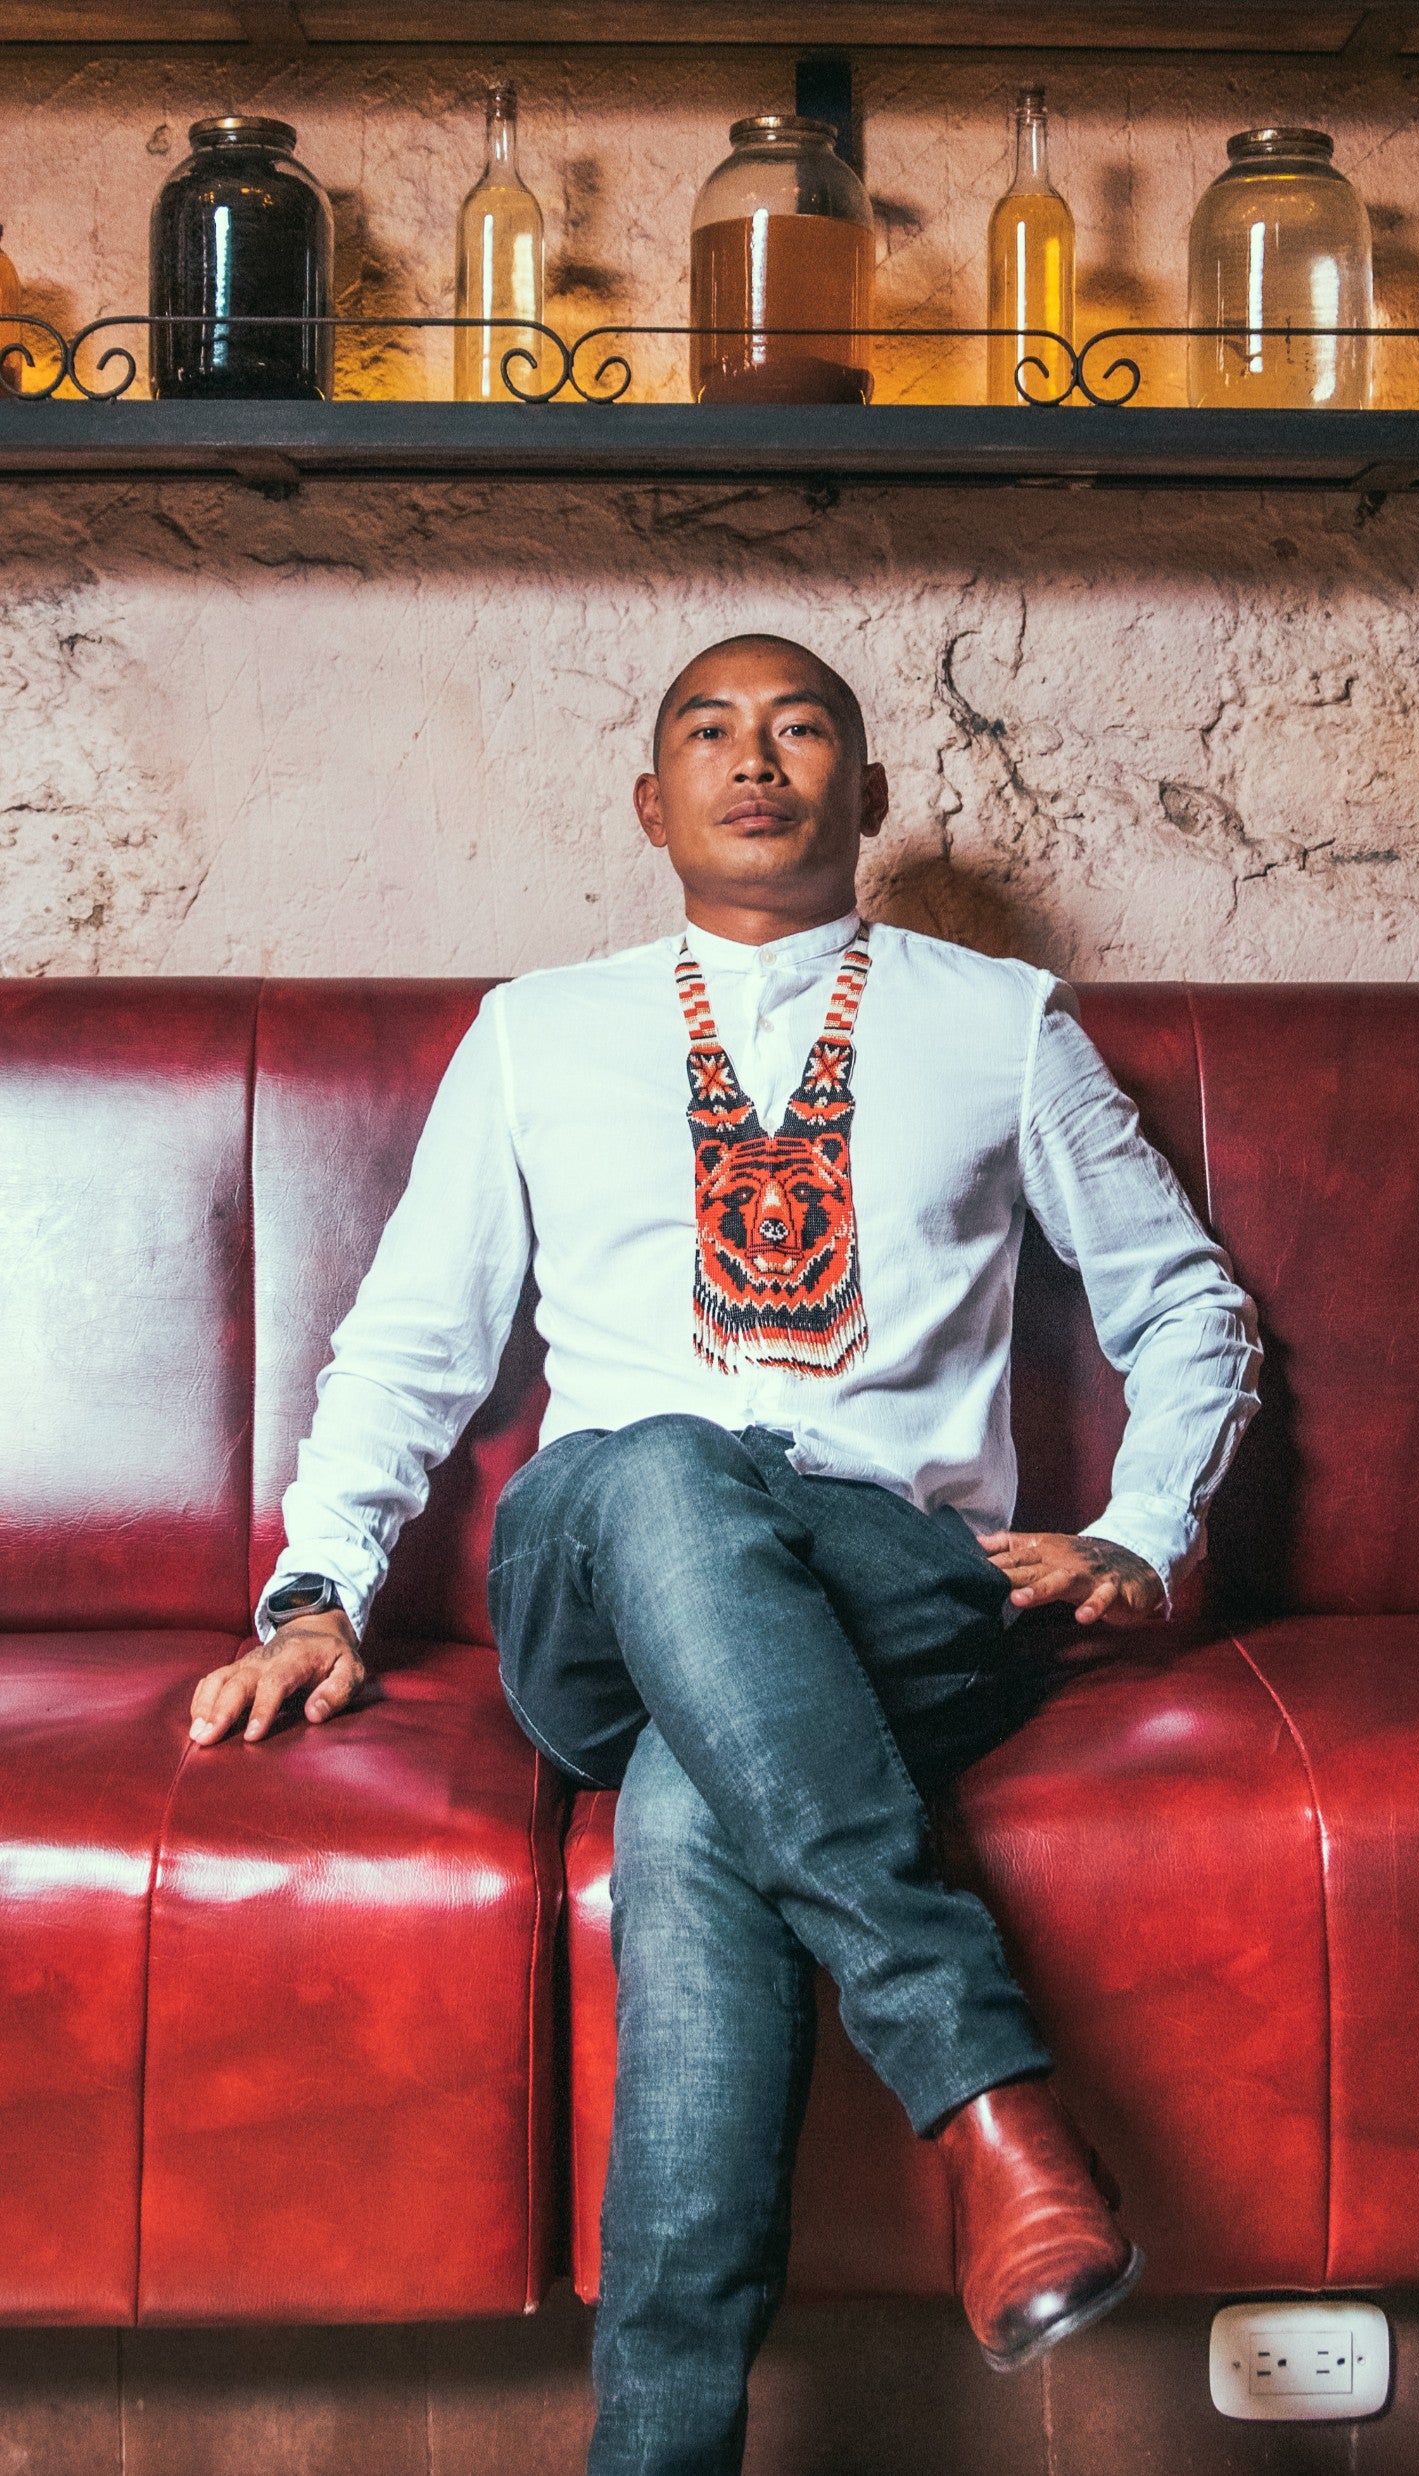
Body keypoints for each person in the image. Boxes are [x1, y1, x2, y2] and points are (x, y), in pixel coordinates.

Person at [189, 633, 1261, 2476]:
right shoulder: (535, 1030)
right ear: (649, 801)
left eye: (800, 728)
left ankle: (660, 2448)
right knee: (667, 1461)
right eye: (710, 730)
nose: (754, 759)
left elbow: (1184, 1306)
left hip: (891, 1578)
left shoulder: (1002, 1020)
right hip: (598, 1568)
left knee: (699, 1814)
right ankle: (988, 2099)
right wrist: (316, 1588)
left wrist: (1137, 1530)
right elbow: (412, 1345)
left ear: (870, 791)